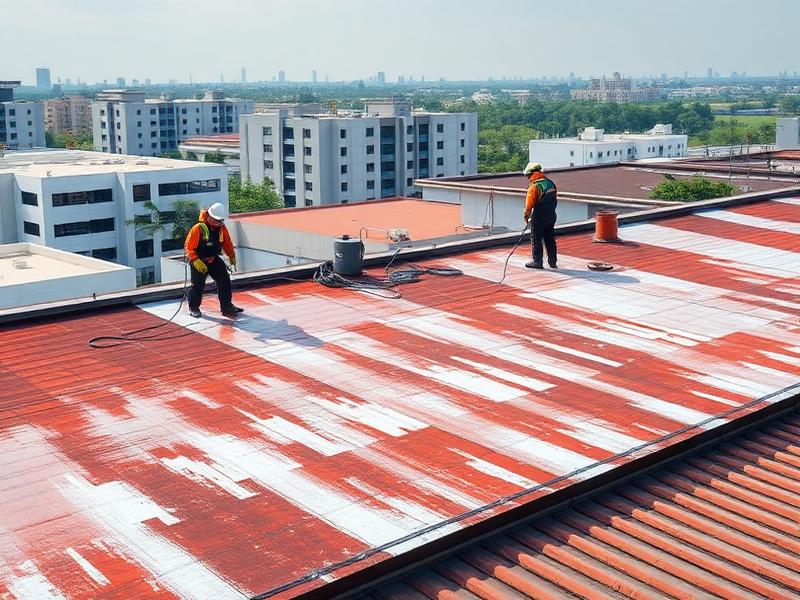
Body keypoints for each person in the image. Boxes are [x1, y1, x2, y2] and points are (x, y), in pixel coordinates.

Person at [184, 202, 243, 318]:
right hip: (198, 261)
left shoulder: (221, 228)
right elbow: (188, 247)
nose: (220, 223)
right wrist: (195, 260)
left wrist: (231, 256)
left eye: (221, 220)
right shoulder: (198, 229)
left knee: (224, 279)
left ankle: (226, 306)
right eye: (217, 220)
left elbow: (227, 243)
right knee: (198, 285)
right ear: (209, 217)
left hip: (213, 259)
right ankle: (193, 307)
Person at [522, 162, 558, 269]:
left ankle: (537, 261)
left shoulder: (534, 187)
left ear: (530, 174)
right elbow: (555, 200)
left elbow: (528, 207)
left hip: (539, 217)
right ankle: (553, 261)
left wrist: (526, 217)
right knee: (550, 238)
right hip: (551, 216)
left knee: (536, 239)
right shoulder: (550, 183)